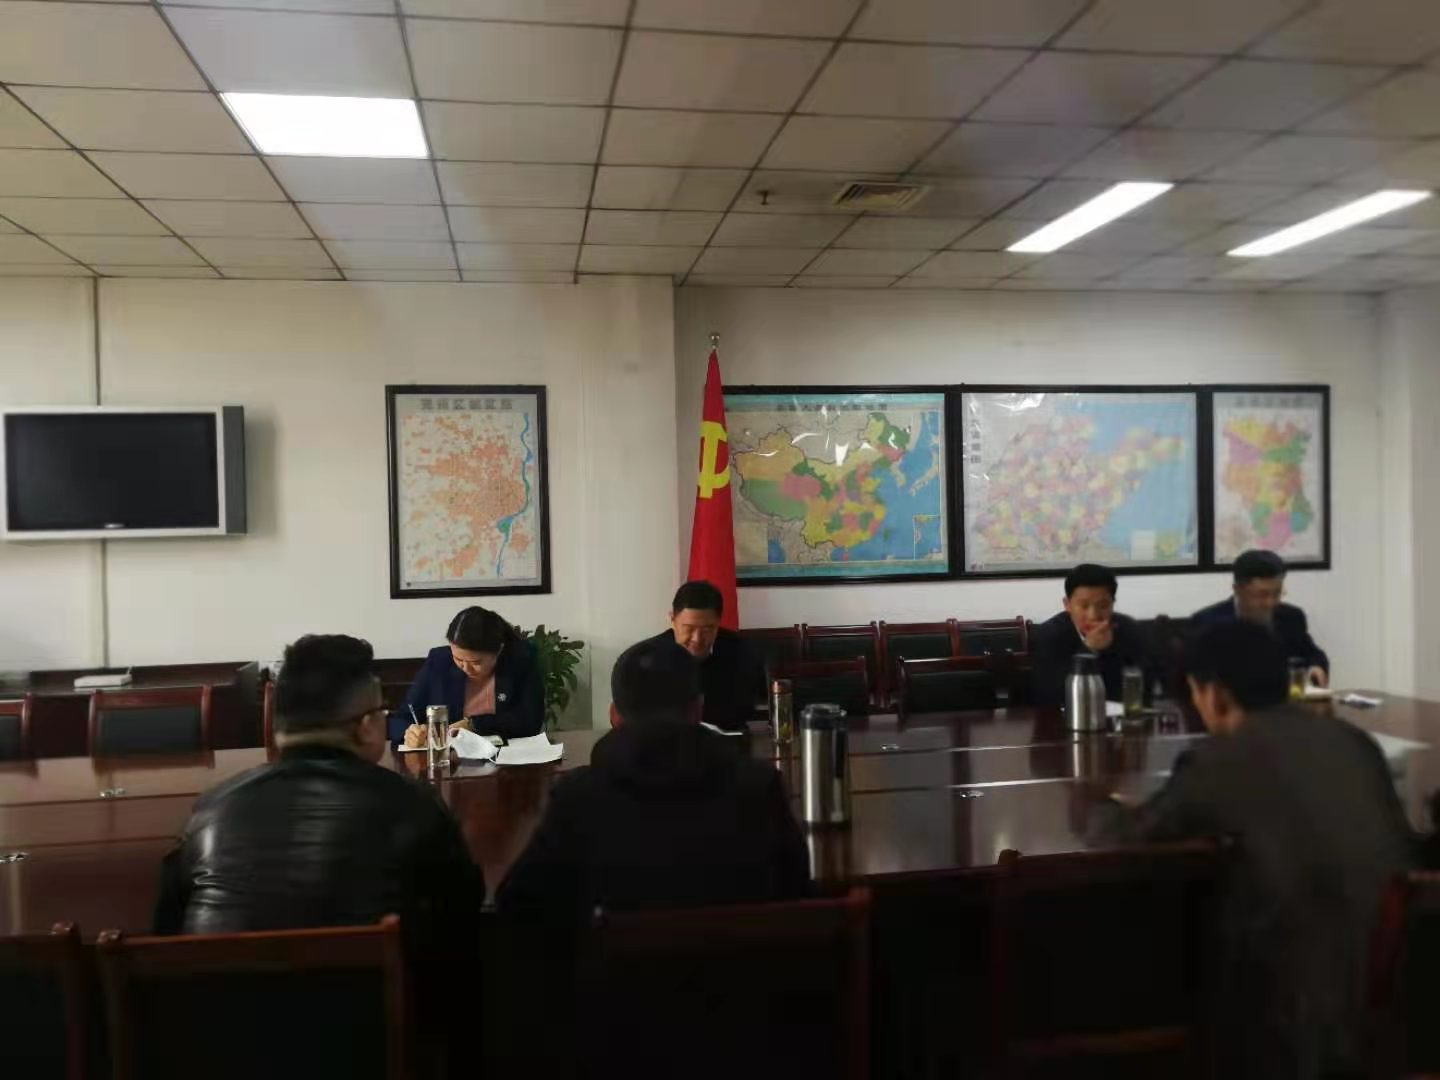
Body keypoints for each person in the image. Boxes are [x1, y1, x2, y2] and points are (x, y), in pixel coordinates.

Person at [1120, 622, 1415, 1079]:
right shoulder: (1352, 740)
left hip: (1295, 1017)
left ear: (1214, 695)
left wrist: (1108, 810)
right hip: (1405, 989)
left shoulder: (1221, 757)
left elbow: (1137, 838)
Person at [154, 633, 485, 937]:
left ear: (278, 724)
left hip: (221, 984)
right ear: (367, 726)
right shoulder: (413, 805)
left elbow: (168, 924)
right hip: (374, 984)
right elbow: (464, 907)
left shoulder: (209, 811)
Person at [496, 635, 809, 922]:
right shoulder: (759, 785)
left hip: (616, 967)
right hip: (738, 963)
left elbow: (518, 902)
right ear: (698, 710)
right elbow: (798, 895)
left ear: (614, 716)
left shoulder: (579, 797)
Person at [398, 605, 543, 746]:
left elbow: (530, 721)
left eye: (476, 662)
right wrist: (411, 733)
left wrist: (472, 724)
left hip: (506, 756)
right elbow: (402, 718)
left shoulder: (520, 660)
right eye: (458, 659)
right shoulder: (438, 662)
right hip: (449, 757)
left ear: (499, 650)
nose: (465, 668)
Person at [1192, 549, 1330, 688]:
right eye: (1261, 595)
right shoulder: (1208, 622)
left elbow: (1313, 654)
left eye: (1277, 593)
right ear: (1237, 589)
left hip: (1283, 699)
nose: (1270, 603)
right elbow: (1196, 675)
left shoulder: (1291, 617)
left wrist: (1315, 667)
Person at [644, 580, 761, 733]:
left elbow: (745, 709)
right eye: (689, 628)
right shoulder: (648, 658)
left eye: (707, 629)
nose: (697, 639)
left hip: (726, 740)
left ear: (718, 623)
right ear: (673, 620)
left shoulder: (742, 652)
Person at [1031, 563, 1151, 706]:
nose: (1093, 615)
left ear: (1113, 603)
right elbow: (1050, 693)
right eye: (1084, 606)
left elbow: (1144, 687)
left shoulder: (1129, 629)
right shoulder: (1048, 635)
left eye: (1103, 605)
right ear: (1067, 604)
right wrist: (1088, 650)